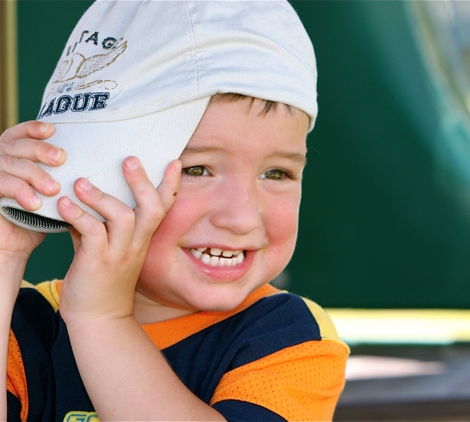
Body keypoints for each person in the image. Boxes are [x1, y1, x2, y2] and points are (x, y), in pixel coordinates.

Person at [0, 1, 349, 421]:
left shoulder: (289, 338)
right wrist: (5, 254)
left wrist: (101, 318)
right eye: (196, 170)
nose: (241, 218)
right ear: (88, 175)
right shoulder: (26, 326)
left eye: (277, 173)